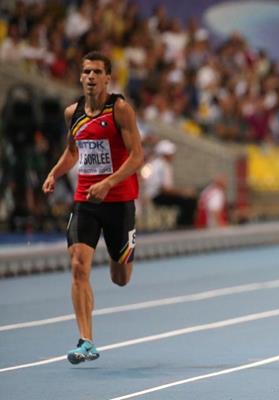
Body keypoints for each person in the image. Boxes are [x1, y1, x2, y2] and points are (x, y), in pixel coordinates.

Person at [42, 51, 144, 364]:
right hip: (85, 201)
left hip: (118, 201)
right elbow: (74, 151)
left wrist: (109, 182)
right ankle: (86, 340)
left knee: (120, 277)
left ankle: (122, 255)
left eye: (97, 72)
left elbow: (137, 156)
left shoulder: (120, 110)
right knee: (77, 265)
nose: (90, 77)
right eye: (86, 71)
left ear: (107, 78)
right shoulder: (72, 112)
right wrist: (54, 172)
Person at [143, 139, 198, 227]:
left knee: (185, 199)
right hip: (158, 196)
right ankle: (184, 225)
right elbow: (165, 189)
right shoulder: (163, 165)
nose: (173, 156)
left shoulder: (154, 164)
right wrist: (184, 192)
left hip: (155, 196)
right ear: (166, 155)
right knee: (189, 201)